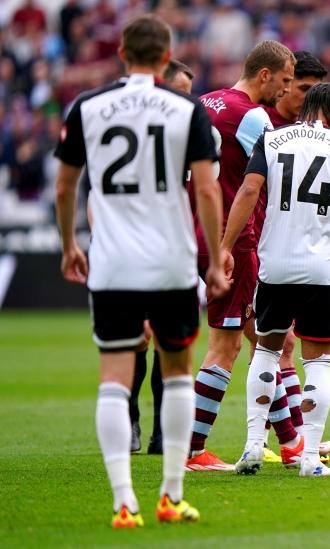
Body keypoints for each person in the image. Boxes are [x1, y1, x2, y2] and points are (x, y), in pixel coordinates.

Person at [54, 14, 228, 527]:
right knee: (177, 372)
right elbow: (207, 189)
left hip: (112, 261)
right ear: (166, 54)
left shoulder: (87, 107)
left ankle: (123, 502)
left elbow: (65, 187)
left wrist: (69, 245)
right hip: (171, 260)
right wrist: (216, 257)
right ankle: (170, 494)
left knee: (113, 376)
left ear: (122, 53)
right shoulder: (187, 109)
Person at [221, 82, 330, 477]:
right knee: (318, 362)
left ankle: (252, 447)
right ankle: (309, 459)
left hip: (274, 266)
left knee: (266, 352)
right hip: (320, 270)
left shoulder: (272, 139)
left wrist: (225, 246)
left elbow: (249, 190)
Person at [185, 40, 294, 472]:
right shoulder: (253, 116)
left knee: (267, 340)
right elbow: (269, 182)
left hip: (193, 230)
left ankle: (292, 442)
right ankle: (192, 450)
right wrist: (229, 246)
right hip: (233, 241)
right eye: (284, 80)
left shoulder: (202, 104)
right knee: (225, 346)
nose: (285, 91)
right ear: (264, 74)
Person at [257, 51, 329, 464]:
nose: (309, 99)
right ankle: (289, 440)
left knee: (275, 346)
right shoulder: (264, 126)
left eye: (316, 91)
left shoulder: (312, 137)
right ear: (284, 84)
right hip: (261, 247)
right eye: (302, 88)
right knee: (269, 345)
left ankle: (287, 440)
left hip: (289, 250)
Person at [128, 58, 195, 457]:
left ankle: (159, 432)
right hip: (135, 246)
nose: (187, 99)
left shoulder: (191, 134)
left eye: (189, 92)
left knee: (168, 343)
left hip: (175, 249)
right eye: (181, 91)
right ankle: (132, 418)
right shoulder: (139, 135)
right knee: (139, 338)